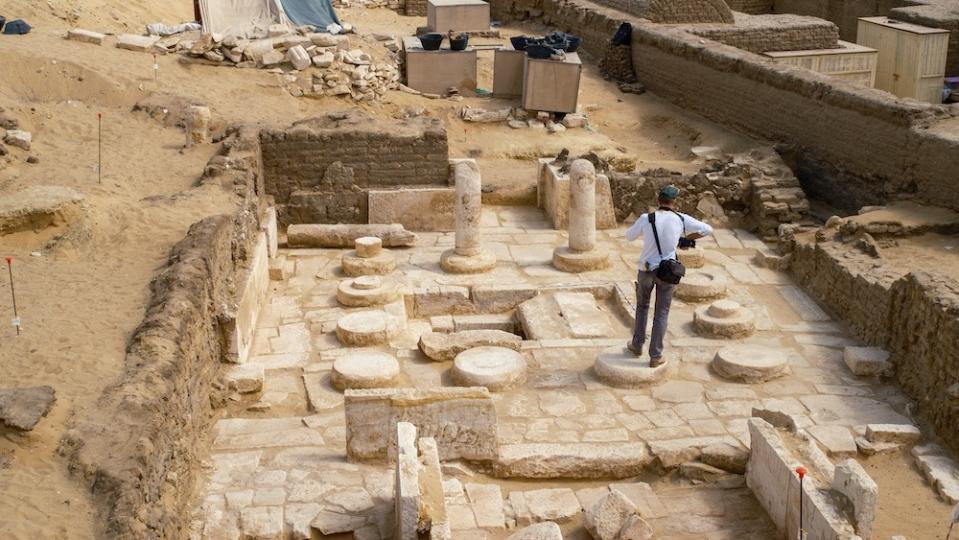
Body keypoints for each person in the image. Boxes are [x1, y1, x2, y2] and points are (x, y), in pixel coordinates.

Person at [624, 185, 713, 367]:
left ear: (658, 200)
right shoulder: (681, 219)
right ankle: (655, 355)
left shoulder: (646, 218)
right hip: (667, 272)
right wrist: (686, 239)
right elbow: (707, 229)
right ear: (675, 202)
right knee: (662, 313)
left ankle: (637, 344)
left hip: (647, 270)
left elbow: (629, 236)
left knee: (642, 307)